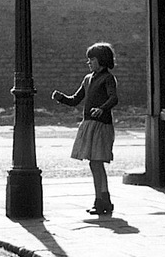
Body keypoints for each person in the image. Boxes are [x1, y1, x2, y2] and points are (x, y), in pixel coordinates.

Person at [52, 42, 118, 215]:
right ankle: (102, 199)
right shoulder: (88, 79)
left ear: (102, 60)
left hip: (102, 125)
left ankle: (102, 200)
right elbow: (75, 99)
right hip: (89, 123)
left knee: (97, 162)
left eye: (92, 59)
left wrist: (102, 109)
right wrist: (61, 98)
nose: (89, 63)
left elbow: (114, 98)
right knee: (94, 164)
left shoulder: (108, 78)